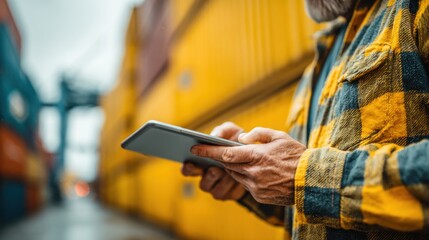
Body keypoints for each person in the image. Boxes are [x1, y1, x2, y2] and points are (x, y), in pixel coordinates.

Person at [182, 0, 429, 239]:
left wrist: (305, 177)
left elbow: (306, 178)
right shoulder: (321, 58)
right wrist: (249, 178)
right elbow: (310, 207)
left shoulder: (415, 9)